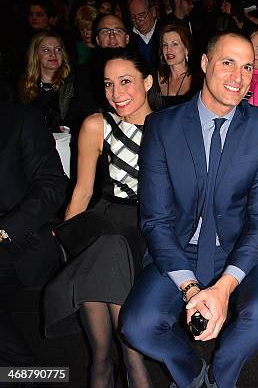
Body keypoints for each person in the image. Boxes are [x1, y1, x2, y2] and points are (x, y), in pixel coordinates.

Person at [120, 31, 258, 388]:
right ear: (205, 63)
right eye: (228, 63)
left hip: (238, 245)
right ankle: (192, 374)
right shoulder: (162, 127)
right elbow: (156, 220)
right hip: (180, 247)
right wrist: (192, 290)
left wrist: (224, 288)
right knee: (138, 325)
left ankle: (222, 375)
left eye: (246, 67)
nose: (238, 77)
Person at [43, 49, 157, 387]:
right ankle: (132, 363)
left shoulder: (168, 126)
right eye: (108, 84)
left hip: (147, 227)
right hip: (102, 221)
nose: (116, 94)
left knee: (113, 250)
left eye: (125, 82)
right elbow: (81, 191)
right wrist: (67, 244)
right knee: (104, 353)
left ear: (148, 82)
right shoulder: (96, 124)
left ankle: (127, 363)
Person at [0, 103, 67, 375]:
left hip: (21, 237)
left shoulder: (20, 118)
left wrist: (4, 229)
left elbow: (52, 186)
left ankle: (33, 373)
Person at [18, 30, 74, 132]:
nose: (53, 54)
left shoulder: (73, 85)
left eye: (58, 49)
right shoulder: (22, 87)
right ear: (36, 55)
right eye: (46, 50)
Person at [157, 24, 200, 108]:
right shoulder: (155, 78)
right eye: (165, 45)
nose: (169, 49)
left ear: (186, 49)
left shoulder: (197, 80)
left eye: (175, 44)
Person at [127, 0, 160, 67]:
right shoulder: (127, 37)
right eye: (133, 17)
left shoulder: (166, 31)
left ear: (153, 12)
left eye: (141, 15)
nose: (137, 20)